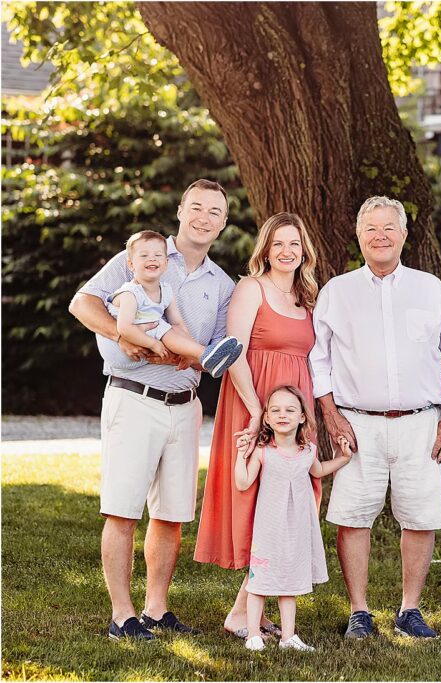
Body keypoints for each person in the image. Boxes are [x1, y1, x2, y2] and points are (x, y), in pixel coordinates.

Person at [68, 179, 235, 640]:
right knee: (123, 511)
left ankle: (156, 609)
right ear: (180, 210)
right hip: (134, 396)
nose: (204, 217)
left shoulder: (222, 283)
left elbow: (214, 345)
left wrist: (195, 360)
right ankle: (122, 616)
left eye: (214, 211)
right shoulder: (144, 253)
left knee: (171, 515)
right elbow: (81, 302)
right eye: (196, 207)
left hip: (184, 406)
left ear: (223, 223)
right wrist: (123, 335)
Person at [310, 196, 441, 640]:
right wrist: (331, 416)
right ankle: (359, 612)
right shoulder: (336, 292)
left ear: (404, 235)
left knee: (419, 516)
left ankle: (410, 610)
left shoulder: (430, 289)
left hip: (421, 422)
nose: (380, 236)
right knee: (353, 515)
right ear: (359, 236)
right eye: (371, 228)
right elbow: (318, 361)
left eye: (388, 228)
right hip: (356, 424)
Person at [193, 212, 321, 639]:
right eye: (278, 244)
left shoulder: (308, 297)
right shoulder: (251, 289)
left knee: (292, 501)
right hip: (254, 400)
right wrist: (255, 411)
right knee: (256, 501)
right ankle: (245, 610)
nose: (287, 252)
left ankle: (244, 610)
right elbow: (234, 353)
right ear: (265, 249)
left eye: (295, 244)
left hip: (294, 407)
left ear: (305, 251)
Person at [234, 385, 352, 652]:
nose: (282, 414)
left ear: (302, 417)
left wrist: (344, 457)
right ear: (266, 418)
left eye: (290, 410)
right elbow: (243, 482)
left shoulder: (308, 450)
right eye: (275, 410)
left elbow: (319, 470)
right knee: (259, 582)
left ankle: (288, 637)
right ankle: (253, 634)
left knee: (289, 583)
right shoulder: (263, 451)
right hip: (268, 528)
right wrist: (241, 455)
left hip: (297, 528)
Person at [97, 230, 243, 376]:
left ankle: (207, 357)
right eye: (144, 255)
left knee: (165, 328)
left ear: (166, 263)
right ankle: (206, 354)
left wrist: (189, 351)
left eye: (158, 255)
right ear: (131, 264)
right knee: (160, 326)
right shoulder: (130, 293)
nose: (152, 259)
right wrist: (153, 344)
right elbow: (124, 328)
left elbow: (178, 324)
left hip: (144, 339)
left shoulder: (166, 290)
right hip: (119, 349)